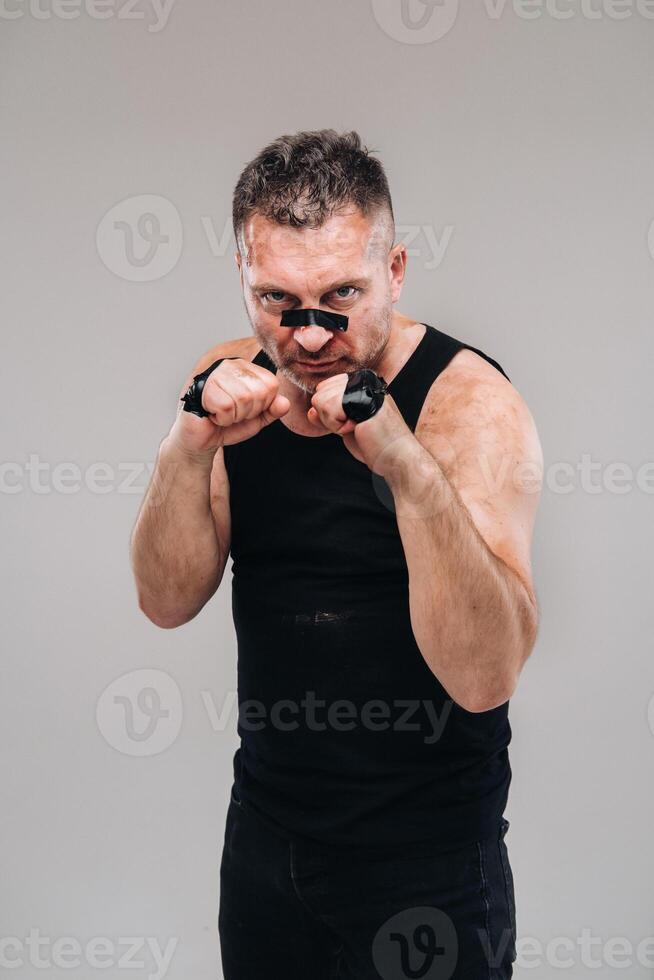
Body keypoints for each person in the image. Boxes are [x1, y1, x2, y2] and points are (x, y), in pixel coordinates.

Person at [130, 129, 543, 979]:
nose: (310, 335)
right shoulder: (227, 381)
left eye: (341, 295)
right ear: (244, 278)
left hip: (425, 863)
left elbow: (484, 676)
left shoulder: (470, 405)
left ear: (394, 272)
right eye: (278, 298)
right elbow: (165, 601)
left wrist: (406, 468)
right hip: (267, 841)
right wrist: (186, 446)